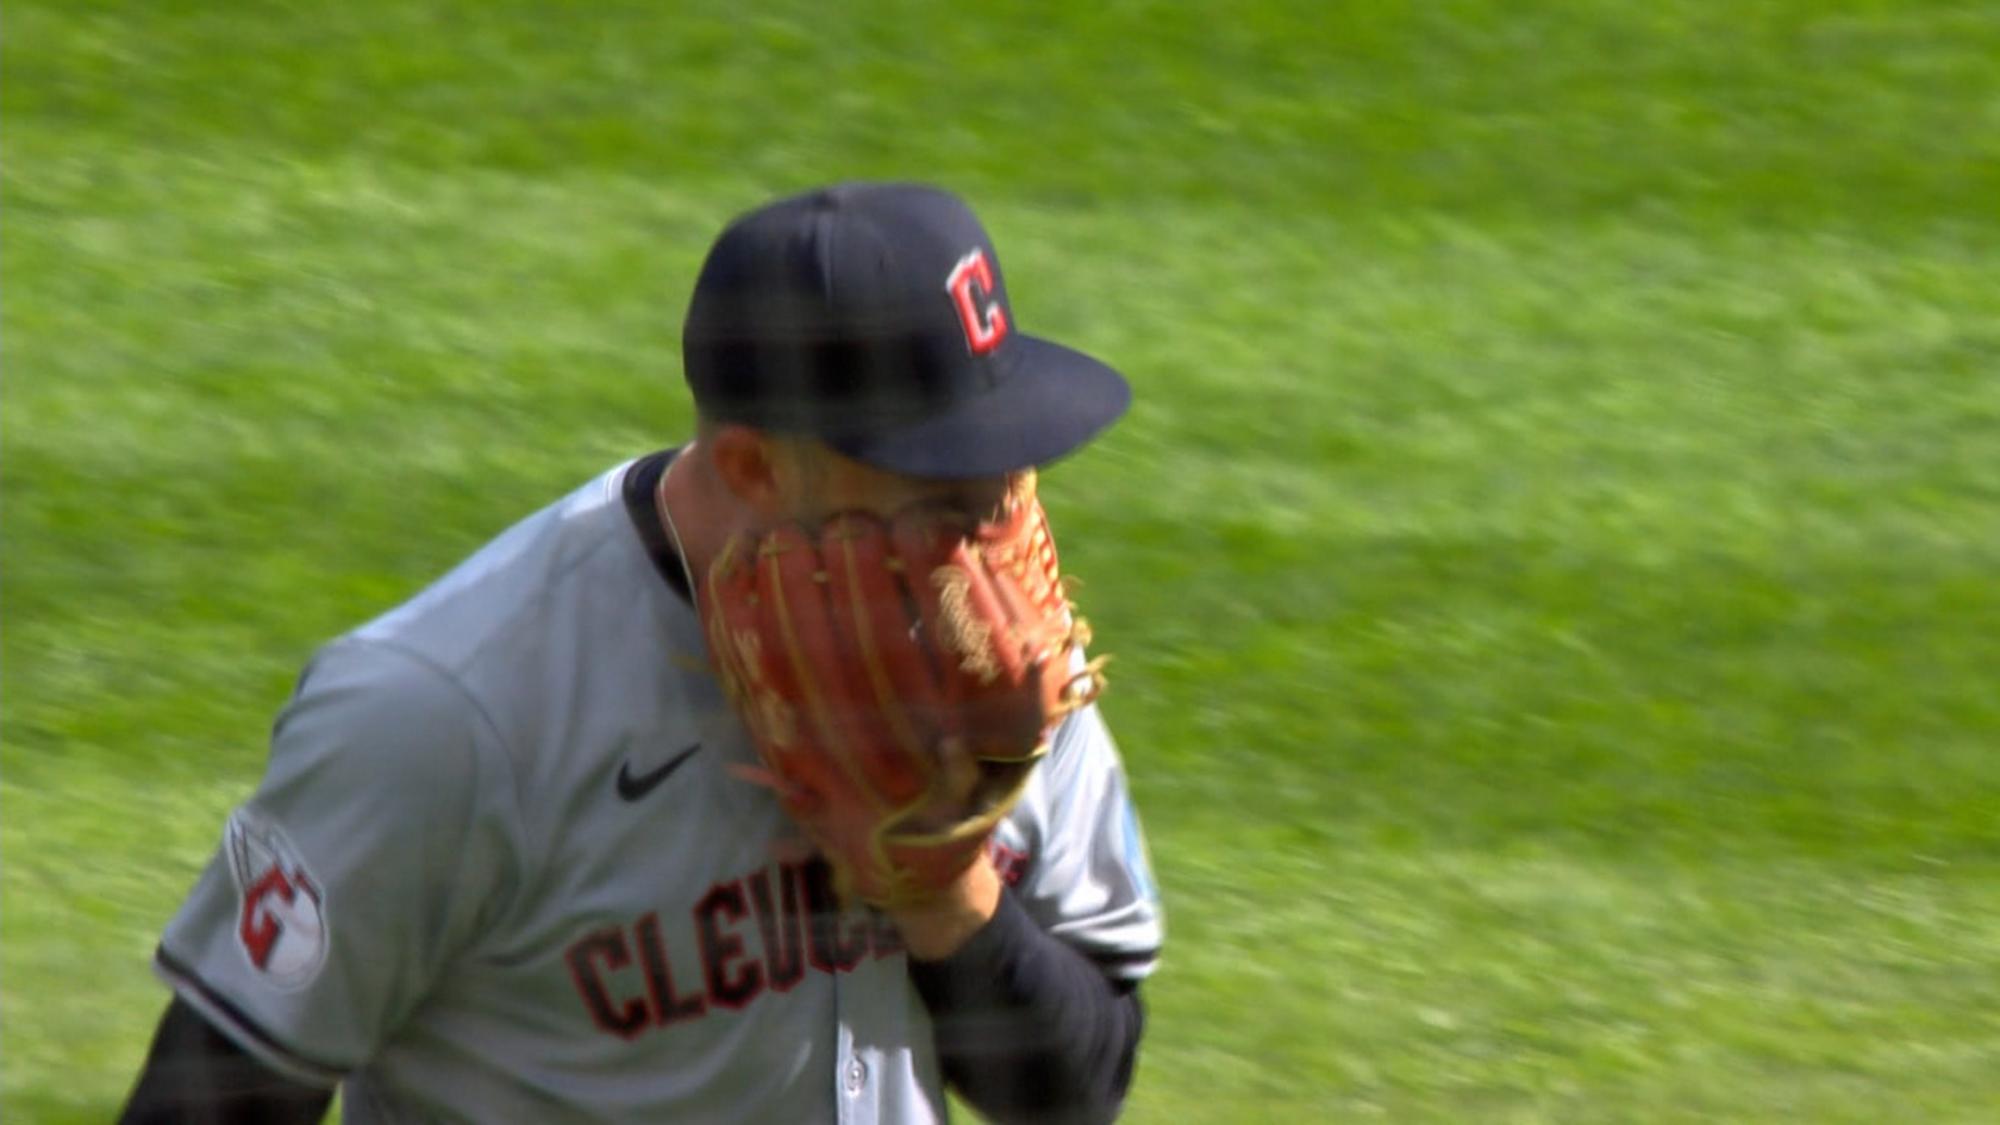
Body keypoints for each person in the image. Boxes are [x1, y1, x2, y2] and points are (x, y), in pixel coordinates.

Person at [120, 182, 1164, 1123]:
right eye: (938, 486)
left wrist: (947, 893)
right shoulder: (440, 718)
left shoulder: (990, 656)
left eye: (1005, 462)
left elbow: (1081, 1087)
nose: (994, 524)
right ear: (753, 468)